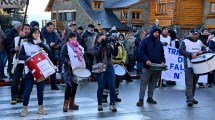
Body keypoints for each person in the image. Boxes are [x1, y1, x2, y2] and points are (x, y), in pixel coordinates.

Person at [18, 28, 51, 117]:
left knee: (40, 90)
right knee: (28, 90)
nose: (37, 34)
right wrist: (30, 57)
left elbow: (50, 51)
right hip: (29, 69)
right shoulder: (26, 43)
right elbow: (20, 56)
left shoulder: (42, 42)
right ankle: (24, 109)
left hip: (41, 70)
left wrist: (40, 43)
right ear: (31, 34)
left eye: (38, 33)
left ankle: (41, 108)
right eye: (35, 33)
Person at [136, 25, 165, 106]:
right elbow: (140, 52)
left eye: (158, 32)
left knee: (153, 83)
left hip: (157, 67)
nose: (157, 34)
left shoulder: (159, 43)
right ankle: (141, 99)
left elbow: (162, 54)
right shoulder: (145, 41)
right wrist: (146, 60)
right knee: (144, 83)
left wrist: (163, 61)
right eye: (155, 32)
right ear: (152, 32)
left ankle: (150, 98)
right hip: (147, 66)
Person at [179, 28, 205, 107]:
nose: (195, 36)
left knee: (194, 83)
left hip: (198, 65)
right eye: (193, 34)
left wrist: (202, 51)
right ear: (189, 33)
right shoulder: (185, 41)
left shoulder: (199, 42)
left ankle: (192, 97)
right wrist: (190, 55)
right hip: (189, 65)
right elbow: (181, 51)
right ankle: (189, 99)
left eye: (196, 34)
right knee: (189, 83)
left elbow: (205, 49)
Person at [61, 32, 85, 112]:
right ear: (69, 39)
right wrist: (67, 61)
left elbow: (82, 56)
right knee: (69, 86)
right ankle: (65, 104)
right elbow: (62, 56)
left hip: (77, 69)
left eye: (74, 38)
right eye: (71, 38)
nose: (73, 39)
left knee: (75, 86)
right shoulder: (66, 46)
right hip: (69, 69)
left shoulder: (79, 47)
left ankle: (72, 103)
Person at [93, 32, 118, 112]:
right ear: (98, 39)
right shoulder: (95, 46)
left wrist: (116, 45)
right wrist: (101, 45)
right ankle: (99, 103)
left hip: (109, 66)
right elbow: (96, 55)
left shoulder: (108, 45)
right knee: (101, 87)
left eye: (104, 38)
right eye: (102, 39)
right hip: (99, 67)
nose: (104, 40)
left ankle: (112, 104)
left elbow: (115, 54)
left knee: (112, 86)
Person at [102, 33, 127, 103]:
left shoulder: (121, 44)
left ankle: (115, 96)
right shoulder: (109, 44)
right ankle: (104, 97)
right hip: (111, 64)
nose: (115, 39)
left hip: (119, 64)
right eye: (114, 37)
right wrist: (111, 62)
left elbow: (124, 53)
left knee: (117, 82)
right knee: (107, 82)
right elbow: (109, 55)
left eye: (116, 37)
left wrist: (123, 61)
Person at [10, 24, 30, 104]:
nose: (27, 30)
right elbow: (10, 49)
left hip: (27, 62)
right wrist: (14, 49)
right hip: (18, 61)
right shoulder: (16, 39)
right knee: (15, 80)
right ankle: (14, 95)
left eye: (28, 29)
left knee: (25, 80)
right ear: (20, 31)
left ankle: (20, 95)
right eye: (25, 29)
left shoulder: (30, 39)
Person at [41, 22, 61, 90]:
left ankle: (53, 84)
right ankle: (42, 85)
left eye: (52, 28)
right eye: (50, 28)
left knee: (53, 70)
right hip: (45, 54)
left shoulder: (54, 33)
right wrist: (49, 45)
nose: (51, 29)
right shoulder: (42, 33)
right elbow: (41, 43)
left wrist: (58, 45)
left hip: (53, 54)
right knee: (45, 70)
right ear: (46, 27)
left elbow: (60, 41)